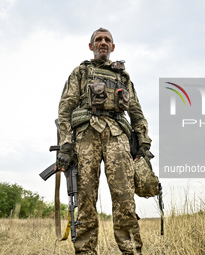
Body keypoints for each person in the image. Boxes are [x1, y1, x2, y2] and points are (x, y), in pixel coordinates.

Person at [55, 27, 151, 255]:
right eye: (98, 40)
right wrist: (66, 144)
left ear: (113, 46)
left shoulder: (123, 77)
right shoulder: (80, 72)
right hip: (86, 136)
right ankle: (86, 251)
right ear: (91, 46)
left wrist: (143, 142)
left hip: (118, 137)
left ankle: (132, 251)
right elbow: (65, 109)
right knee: (86, 199)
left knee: (125, 199)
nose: (103, 43)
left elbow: (136, 112)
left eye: (107, 40)